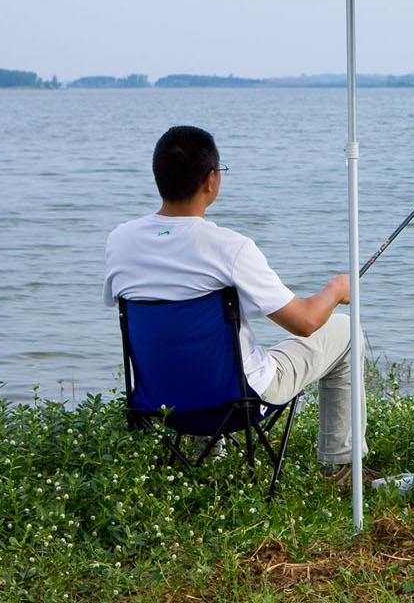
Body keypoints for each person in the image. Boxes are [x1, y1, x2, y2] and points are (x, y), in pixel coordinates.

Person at [104, 125, 366, 473]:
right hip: (238, 400)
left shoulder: (120, 241)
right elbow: (304, 322)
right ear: (211, 181)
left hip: (160, 401)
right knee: (345, 331)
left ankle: (209, 458)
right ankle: (341, 468)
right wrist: (335, 290)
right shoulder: (231, 248)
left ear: (158, 176)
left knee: (196, 345)